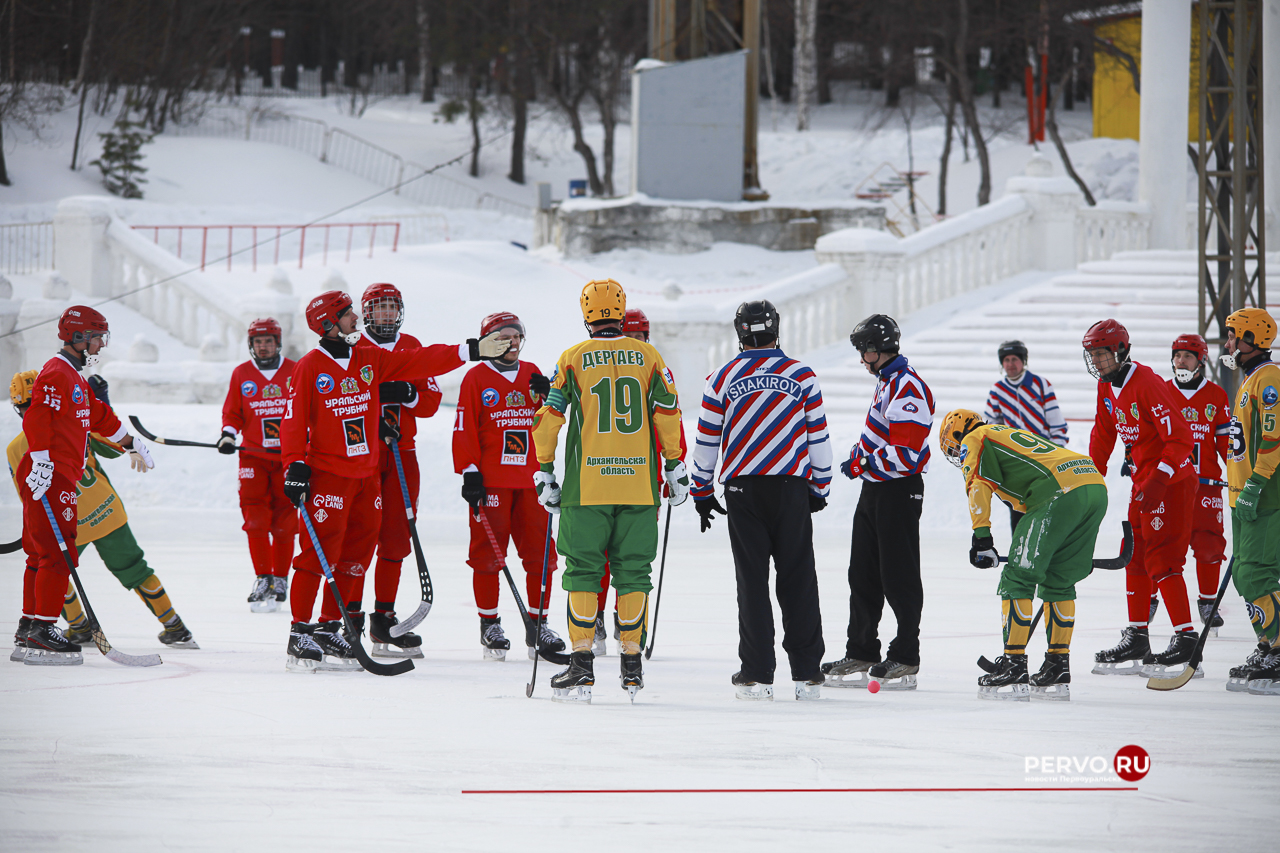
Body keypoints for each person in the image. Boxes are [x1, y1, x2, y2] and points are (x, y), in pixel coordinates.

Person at [279, 289, 510, 673]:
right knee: (318, 554)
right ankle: (299, 631)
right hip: (329, 476)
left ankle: (328, 626)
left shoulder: (369, 359)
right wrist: (294, 466)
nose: (355, 318)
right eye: (347, 313)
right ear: (328, 324)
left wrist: (471, 350)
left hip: (367, 477)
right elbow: (292, 419)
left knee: (355, 557)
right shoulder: (309, 367)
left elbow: (419, 360)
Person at [531, 279, 687, 703]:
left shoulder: (572, 358)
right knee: (634, 572)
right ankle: (631, 664)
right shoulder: (649, 356)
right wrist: (674, 466)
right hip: (639, 487)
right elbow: (668, 413)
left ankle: (581, 665)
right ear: (621, 312)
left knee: (583, 571)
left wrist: (544, 470)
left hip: (588, 487)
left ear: (586, 315)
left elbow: (549, 418)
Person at [691, 299, 831, 701]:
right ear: (776, 329)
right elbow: (817, 438)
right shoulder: (801, 374)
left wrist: (701, 491)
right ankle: (807, 674)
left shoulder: (720, 377)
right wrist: (819, 487)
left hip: (743, 490)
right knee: (798, 579)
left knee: (752, 581)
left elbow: (706, 444)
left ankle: (756, 674)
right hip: (790, 487)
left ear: (740, 332)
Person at [8, 370, 195, 661]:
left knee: (52, 568)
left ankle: (77, 626)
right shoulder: (73, 422)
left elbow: (27, 494)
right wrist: (101, 403)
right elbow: (112, 447)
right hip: (106, 512)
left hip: (67, 519)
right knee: (135, 569)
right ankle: (175, 626)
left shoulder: (16, 448)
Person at [12, 306, 156, 666]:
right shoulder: (56, 373)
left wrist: (130, 441)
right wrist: (43, 459)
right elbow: (37, 415)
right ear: (78, 337)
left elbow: (98, 415)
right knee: (59, 555)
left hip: (56, 472)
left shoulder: (74, 378)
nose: (100, 345)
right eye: (96, 338)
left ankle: (30, 626)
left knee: (41, 553)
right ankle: (42, 631)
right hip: (51, 472)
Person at [939, 409, 1107, 701]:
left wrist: (982, 539)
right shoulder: (1005, 432)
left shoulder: (975, 438)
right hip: (1092, 483)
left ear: (957, 433)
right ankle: (1057, 665)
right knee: (1059, 581)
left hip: (1058, 491)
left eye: (954, 446)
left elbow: (977, 485)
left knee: (1018, 576)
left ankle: (1014, 663)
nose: (958, 454)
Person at [823, 314, 933, 690]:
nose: (861, 360)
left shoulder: (908, 386)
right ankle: (862, 649)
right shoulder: (887, 382)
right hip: (875, 489)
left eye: (863, 352)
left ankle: (905, 655)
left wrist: (864, 462)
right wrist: (860, 455)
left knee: (898, 575)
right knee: (863, 573)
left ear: (877, 349)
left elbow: (905, 452)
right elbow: (878, 434)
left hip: (898, 490)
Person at [1084, 319, 1198, 677]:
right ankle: (1137, 635)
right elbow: (1103, 434)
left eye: (1102, 354)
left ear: (1121, 351)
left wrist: (1160, 479)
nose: (1097, 362)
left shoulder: (1147, 384)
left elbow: (1181, 438)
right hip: (1143, 482)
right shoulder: (1106, 387)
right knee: (1134, 555)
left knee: (1163, 559)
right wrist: (1088, 478)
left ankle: (1186, 637)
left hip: (1171, 482)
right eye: (1092, 355)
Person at [452, 310, 563, 661]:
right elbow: (464, 425)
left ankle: (539, 624)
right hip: (493, 484)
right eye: (504, 336)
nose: (512, 342)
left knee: (540, 556)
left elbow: (550, 425)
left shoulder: (533, 373)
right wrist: (470, 471)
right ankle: (490, 624)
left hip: (531, 482)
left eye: (516, 335)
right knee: (487, 555)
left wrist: (550, 399)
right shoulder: (475, 378)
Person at [587, 306, 687, 656]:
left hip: (642, 477)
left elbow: (670, 419)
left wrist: (673, 467)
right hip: (604, 472)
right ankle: (595, 616)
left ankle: (624, 618)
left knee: (630, 559)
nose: (634, 342)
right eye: (629, 334)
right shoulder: (600, 364)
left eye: (640, 336)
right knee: (596, 556)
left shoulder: (652, 365)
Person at [352, 283, 444, 659]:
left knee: (395, 538)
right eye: (380, 308)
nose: (387, 314)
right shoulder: (354, 346)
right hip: (362, 453)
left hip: (403, 452)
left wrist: (409, 395)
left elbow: (432, 401)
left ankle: (383, 619)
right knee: (358, 536)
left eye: (392, 307)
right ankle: (348, 619)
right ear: (367, 312)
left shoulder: (412, 345)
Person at [1217, 309, 1280, 695]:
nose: (1227, 345)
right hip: (1242, 497)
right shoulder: (1250, 380)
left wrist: (1256, 483)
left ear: (1251, 340)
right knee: (1243, 573)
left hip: (1265, 495)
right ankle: (1268, 642)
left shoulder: (1270, 378)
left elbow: (1274, 438)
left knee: (1257, 573)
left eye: (1232, 337)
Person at [217, 318, 297, 613]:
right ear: (251, 345)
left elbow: (307, 409)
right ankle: (263, 578)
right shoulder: (242, 374)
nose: (263, 346)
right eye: (258, 342)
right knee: (255, 520)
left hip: (287, 456)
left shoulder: (295, 371)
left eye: (268, 341)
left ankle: (281, 578)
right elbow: (233, 413)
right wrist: (228, 435)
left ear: (278, 343)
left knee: (285, 522)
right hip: (252, 456)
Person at [1164, 333, 1231, 635]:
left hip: (1205, 486)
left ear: (1200, 361)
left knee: (1208, 545)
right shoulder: (1160, 391)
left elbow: (1226, 443)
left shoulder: (1216, 395)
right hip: (1169, 483)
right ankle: (1150, 598)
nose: (1181, 361)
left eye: (1188, 356)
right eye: (1177, 355)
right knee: (1163, 545)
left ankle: (1207, 601)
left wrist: (1238, 470)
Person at [982, 340, 1068, 537]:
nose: (1010, 364)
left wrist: (1057, 453)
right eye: (1006, 360)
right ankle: (1020, 550)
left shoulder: (1040, 385)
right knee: (1018, 507)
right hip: (1015, 461)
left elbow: (1057, 423)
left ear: (1024, 361)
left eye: (1015, 359)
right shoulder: (997, 390)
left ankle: (1045, 550)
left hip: (1043, 458)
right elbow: (990, 426)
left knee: (1045, 506)